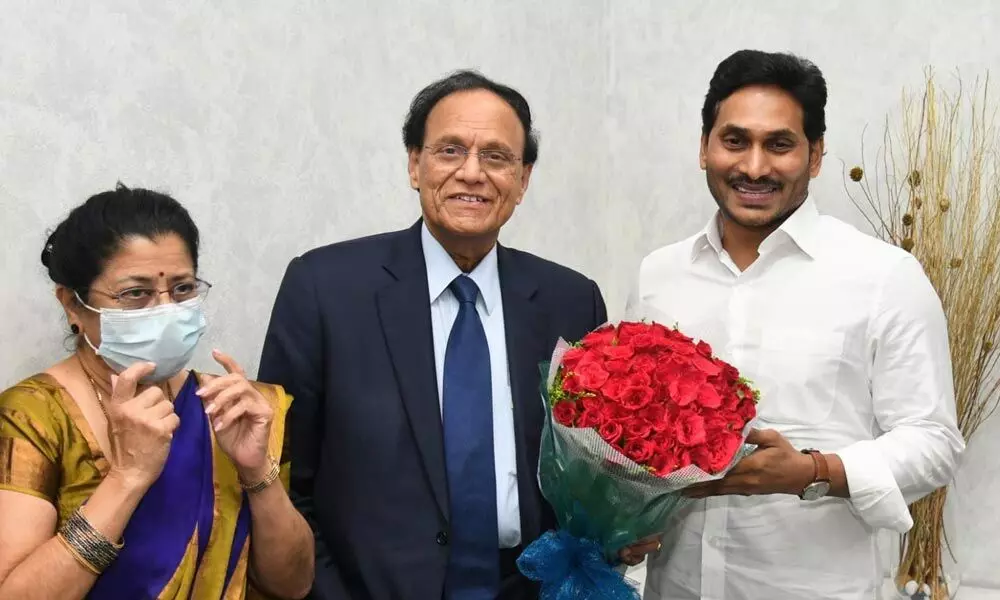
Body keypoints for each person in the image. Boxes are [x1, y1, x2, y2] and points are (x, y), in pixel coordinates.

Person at [257, 70, 611, 600]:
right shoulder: (324, 289)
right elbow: (281, 475)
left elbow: (591, 472)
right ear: (414, 164)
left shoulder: (571, 300)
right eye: (450, 151)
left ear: (524, 177)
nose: (472, 173)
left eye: (496, 157)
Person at [630, 50, 965, 600]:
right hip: (676, 587)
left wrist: (815, 470)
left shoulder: (884, 276)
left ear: (815, 156)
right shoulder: (659, 274)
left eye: (779, 144)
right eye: (734, 140)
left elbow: (934, 442)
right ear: (704, 148)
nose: (755, 167)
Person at [0, 185, 315, 599]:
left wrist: (258, 473)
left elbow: (292, 586)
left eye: (182, 289)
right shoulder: (34, 416)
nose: (165, 309)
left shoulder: (234, 409)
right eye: (136, 293)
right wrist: (127, 479)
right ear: (73, 306)